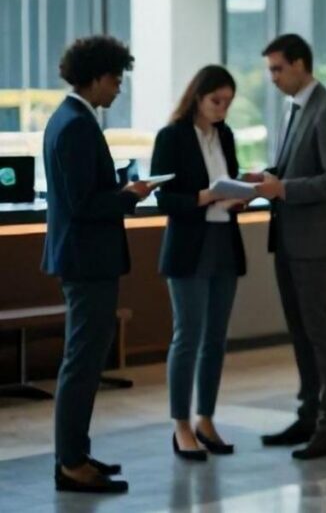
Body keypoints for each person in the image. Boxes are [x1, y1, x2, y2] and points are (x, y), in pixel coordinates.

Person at [42, 35, 151, 494]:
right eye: (115, 80)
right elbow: (83, 203)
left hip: (87, 258)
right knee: (82, 363)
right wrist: (127, 197)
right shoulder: (74, 126)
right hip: (87, 261)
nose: (118, 89)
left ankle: (77, 454)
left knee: (85, 360)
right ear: (96, 78)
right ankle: (70, 462)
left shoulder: (72, 121)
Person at [252, 34, 326, 460]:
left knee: (321, 334)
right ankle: (308, 415)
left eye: (278, 69)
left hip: (314, 241)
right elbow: (296, 168)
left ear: (300, 64)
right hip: (289, 238)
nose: (273, 78)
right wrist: (266, 178)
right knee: (300, 332)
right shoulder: (295, 110)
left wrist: (284, 188)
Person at [150, 65, 247, 461]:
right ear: (197, 97)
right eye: (216, 101)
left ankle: (206, 418)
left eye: (228, 102)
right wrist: (202, 197)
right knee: (187, 336)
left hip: (225, 240)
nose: (222, 109)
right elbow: (164, 199)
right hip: (189, 244)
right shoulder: (171, 137)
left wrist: (240, 196)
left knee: (215, 340)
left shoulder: (225, 135)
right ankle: (181, 425)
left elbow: (232, 179)